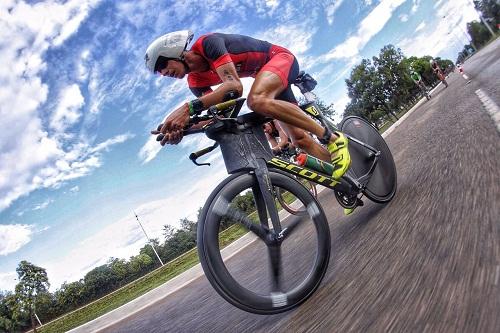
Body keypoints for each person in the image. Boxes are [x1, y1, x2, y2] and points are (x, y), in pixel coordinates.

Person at [146, 30, 351, 180]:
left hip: (278, 59)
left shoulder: (208, 44)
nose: (164, 74)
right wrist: (183, 128)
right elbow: (219, 114)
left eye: (163, 66)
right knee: (299, 140)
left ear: (175, 52)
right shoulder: (195, 82)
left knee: (257, 100)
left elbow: (234, 87)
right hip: (264, 77)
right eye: (160, 73)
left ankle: (333, 139)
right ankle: (351, 179)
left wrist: (187, 109)